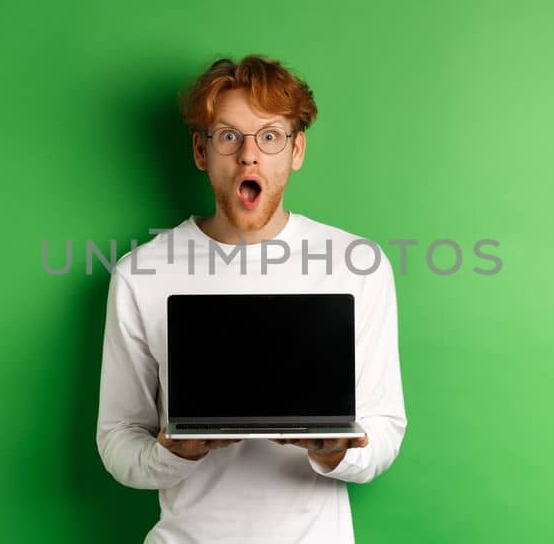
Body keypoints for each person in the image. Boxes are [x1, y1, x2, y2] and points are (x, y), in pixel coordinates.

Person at [96, 55, 407, 543]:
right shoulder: (141, 273)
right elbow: (117, 440)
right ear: (202, 151)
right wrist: (175, 452)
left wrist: (335, 452)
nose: (249, 156)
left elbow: (385, 429)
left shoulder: (357, 264)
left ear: (296, 150)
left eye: (269, 136)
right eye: (228, 137)